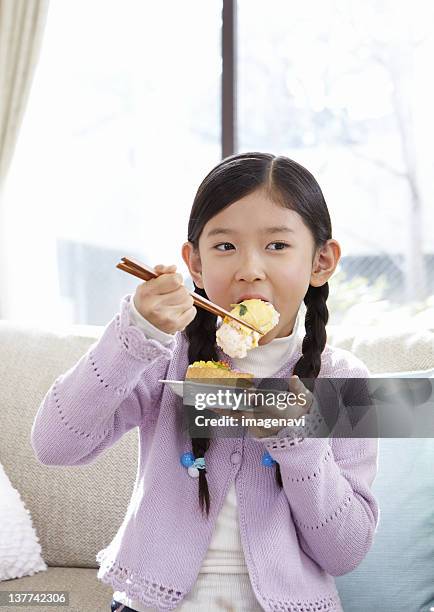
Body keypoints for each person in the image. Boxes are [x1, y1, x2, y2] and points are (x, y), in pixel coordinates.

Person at [31, 152, 379, 612]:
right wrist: (133, 336)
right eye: (224, 246)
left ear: (321, 262)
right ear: (193, 264)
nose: (249, 269)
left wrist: (300, 441)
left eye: (277, 246)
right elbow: (55, 446)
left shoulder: (344, 379)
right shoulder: (162, 359)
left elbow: (345, 553)